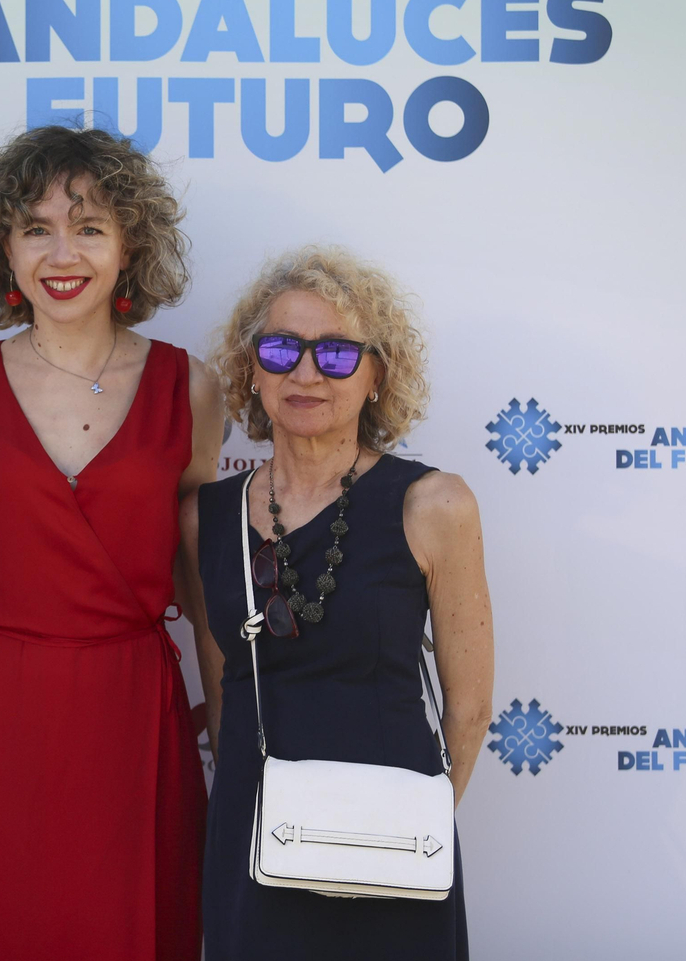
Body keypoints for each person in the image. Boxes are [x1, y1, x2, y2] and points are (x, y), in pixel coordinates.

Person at [0, 126, 225, 961]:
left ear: (129, 248)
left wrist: (233, 729)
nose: (62, 252)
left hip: (133, 721)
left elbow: (204, 590)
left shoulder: (189, 388)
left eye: (89, 227)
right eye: (36, 227)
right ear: (3, 249)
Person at [183, 246, 494, 960]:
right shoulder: (208, 517)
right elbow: (224, 691)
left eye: (337, 353)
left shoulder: (434, 503)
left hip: (388, 840)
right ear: (250, 367)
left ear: (377, 372)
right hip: (256, 834)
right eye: (282, 347)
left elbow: (470, 708)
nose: (305, 372)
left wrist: (415, 824)